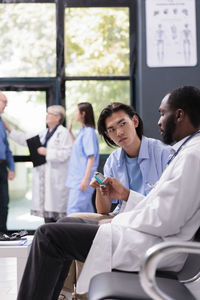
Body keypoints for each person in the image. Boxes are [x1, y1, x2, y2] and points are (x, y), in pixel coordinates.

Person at [17, 86, 200, 300]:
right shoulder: (183, 152)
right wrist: (123, 195)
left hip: (155, 243)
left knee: (47, 237)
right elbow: (156, 207)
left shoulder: (189, 155)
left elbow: (165, 219)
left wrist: (117, 221)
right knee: (65, 223)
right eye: (111, 130)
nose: (159, 121)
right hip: (145, 229)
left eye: (162, 113)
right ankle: (58, 295)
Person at [60, 102, 171, 300]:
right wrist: (101, 190)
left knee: (90, 233)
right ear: (107, 135)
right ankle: (65, 293)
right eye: (111, 129)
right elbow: (103, 210)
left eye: (122, 124)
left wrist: (122, 208)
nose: (118, 132)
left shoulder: (162, 153)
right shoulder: (114, 160)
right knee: (68, 222)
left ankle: (84, 294)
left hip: (145, 221)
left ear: (134, 121)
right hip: (119, 215)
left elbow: (163, 208)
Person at [4, 105, 73, 223]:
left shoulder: (64, 133)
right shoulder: (44, 133)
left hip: (56, 178)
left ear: (58, 117)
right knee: (47, 214)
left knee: (59, 216)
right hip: (45, 177)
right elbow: (26, 139)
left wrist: (47, 152)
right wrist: (9, 129)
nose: (47, 116)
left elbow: (67, 153)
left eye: (50, 114)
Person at [65, 102, 99, 215]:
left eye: (76, 111)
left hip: (81, 179)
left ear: (83, 114)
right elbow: (79, 149)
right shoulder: (83, 132)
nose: (75, 114)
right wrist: (70, 132)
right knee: (86, 211)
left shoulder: (89, 132)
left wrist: (85, 179)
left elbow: (91, 157)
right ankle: (94, 232)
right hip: (78, 178)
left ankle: (75, 233)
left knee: (73, 211)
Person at [0, 92, 15, 233]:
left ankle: (2, 233)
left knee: (4, 202)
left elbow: (7, 148)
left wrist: (12, 168)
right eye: (4, 101)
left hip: (2, 167)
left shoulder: (1, 123)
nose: (6, 105)